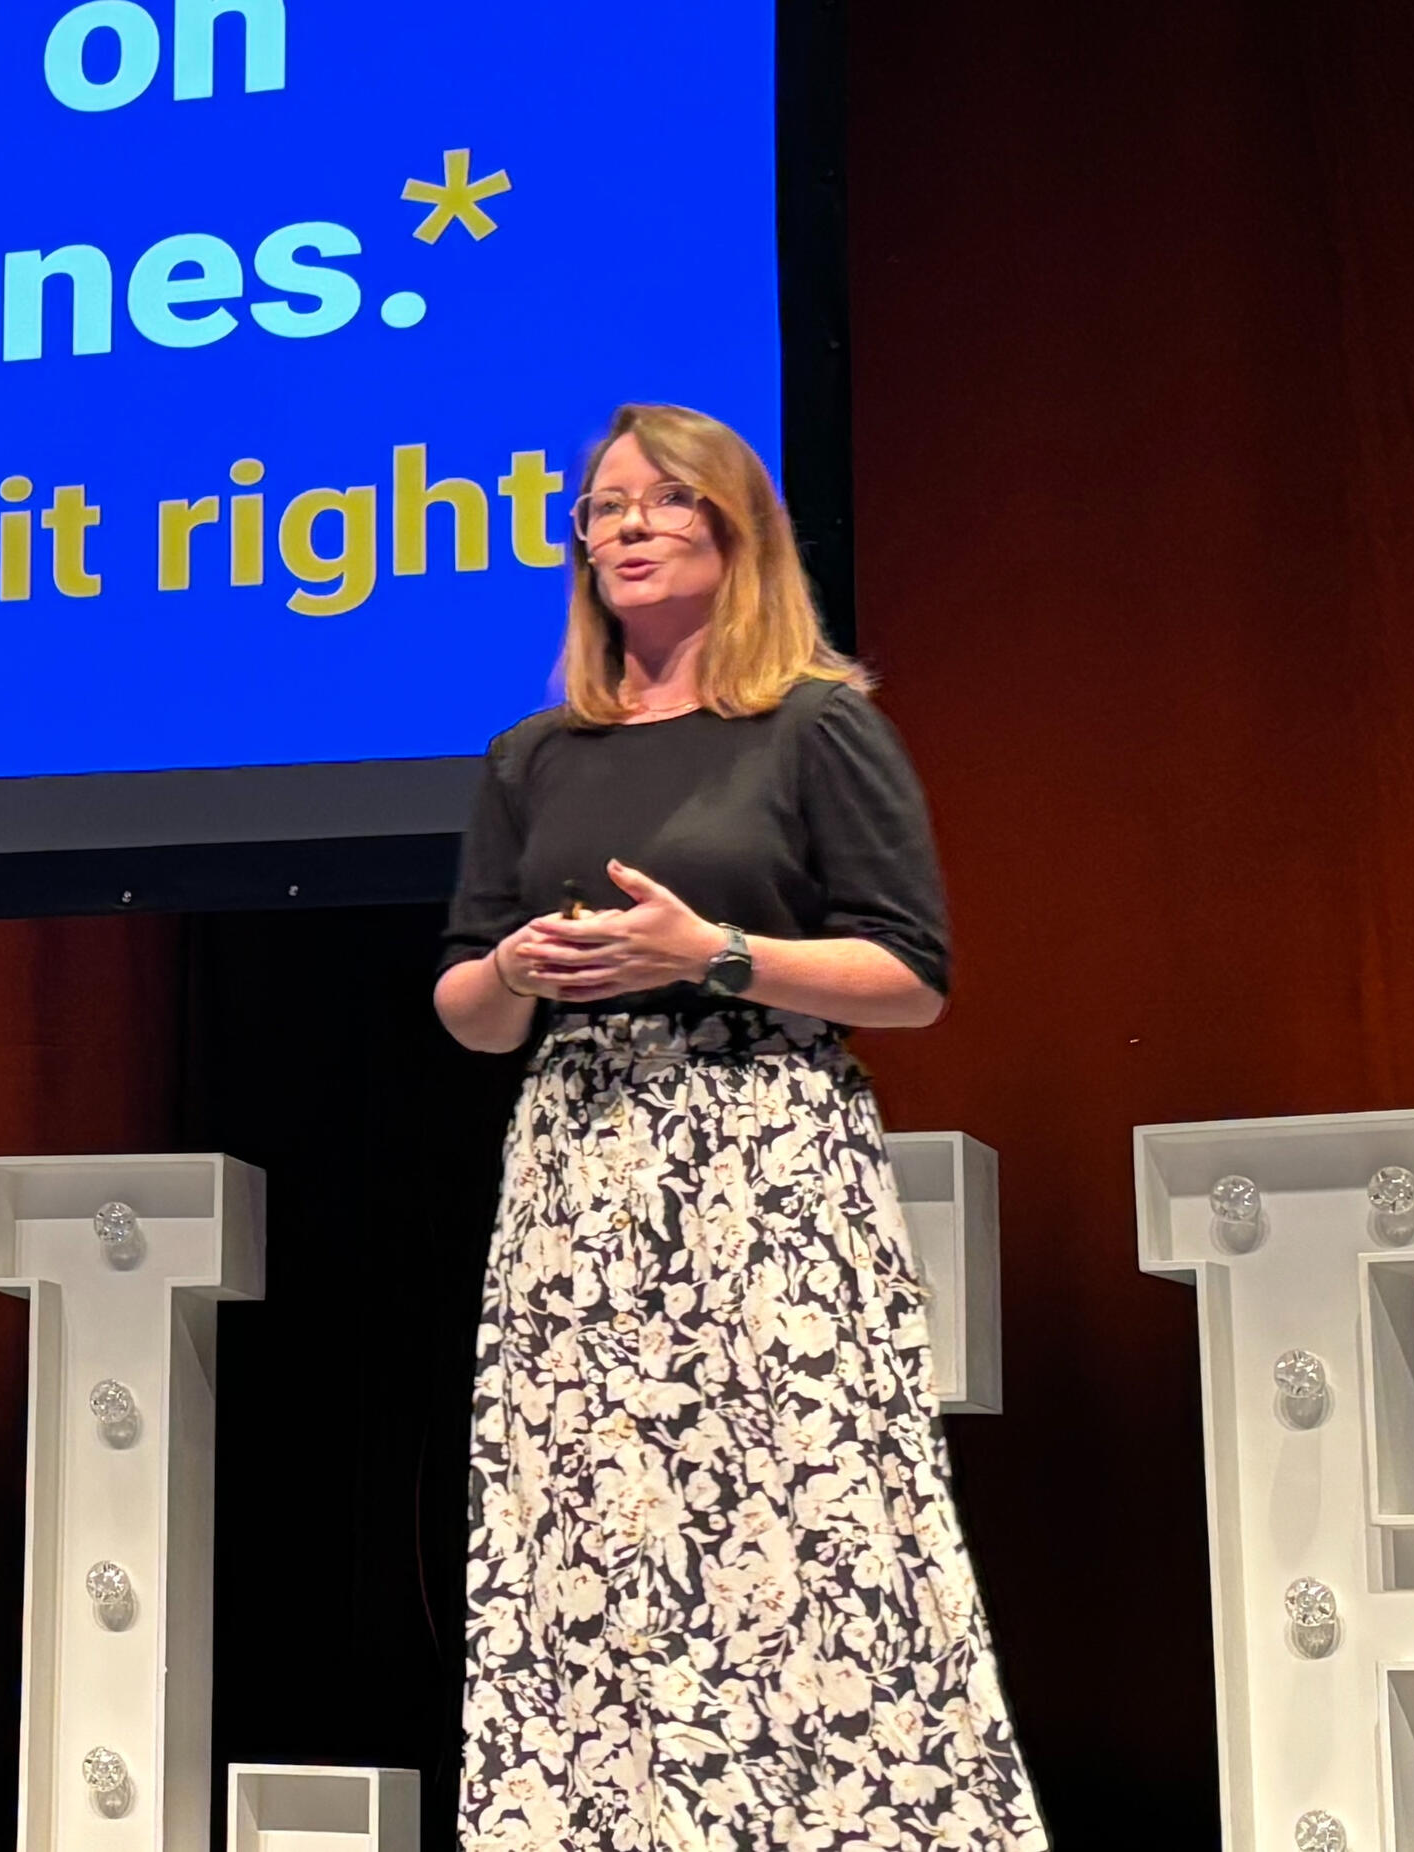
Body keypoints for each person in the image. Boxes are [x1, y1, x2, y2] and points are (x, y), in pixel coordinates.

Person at [434, 403, 1047, 1852]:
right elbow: (463, 1004)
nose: (625, 526)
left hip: (759, 1164)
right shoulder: (534, 753)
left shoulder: (819, 725)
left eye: (662, 503)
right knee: (587, 1531)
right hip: (578, 1178)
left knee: (804, 1522)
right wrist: (514, 971)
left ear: (735, 530)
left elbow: (912, 978)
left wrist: (712, 954)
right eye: (602, 508)